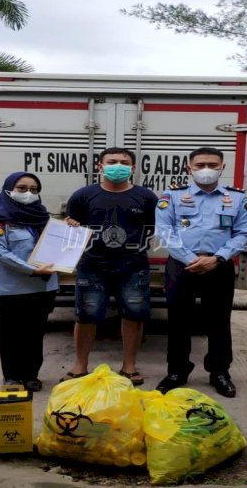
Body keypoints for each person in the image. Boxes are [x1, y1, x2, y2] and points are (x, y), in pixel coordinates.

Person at [154, 147, 247, 398]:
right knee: (178, 321)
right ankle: (177, 371)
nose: (206, 169)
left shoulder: (237, 199)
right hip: (181, 265)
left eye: (212, 164)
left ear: (222, 168)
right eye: (199, 165)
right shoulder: (172, 197)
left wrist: (217, 258)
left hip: (219, 266)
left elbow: (243, 232)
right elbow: (164, 232)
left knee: (219, 322)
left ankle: (220, 372)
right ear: (189, 168)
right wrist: (190, 259)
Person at [61, 147, 158, 385]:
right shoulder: (82, 196)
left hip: (133, 266)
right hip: (93, 265)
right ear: (100, 167)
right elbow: (72, 225)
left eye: (124, 162)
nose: (118, 166)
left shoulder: (147, 198)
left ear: (133, 168)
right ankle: (80, 365)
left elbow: (153, 229)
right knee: (86, 315)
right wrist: (69, 224)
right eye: (112, 161)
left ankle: (129, 366)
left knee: (134, 315)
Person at [0, 172, 57, 392]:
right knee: (11, 335)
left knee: (35, 334)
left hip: (43, 287)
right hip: (11, 290)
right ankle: (12, 376)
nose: (28, 193)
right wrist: (33, 270)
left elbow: (60, 245)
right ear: (8, 190)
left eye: (34, 189)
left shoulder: (44, 219)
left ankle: (31, 374)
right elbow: (0, 253)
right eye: (22, 188)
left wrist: (72, 230)